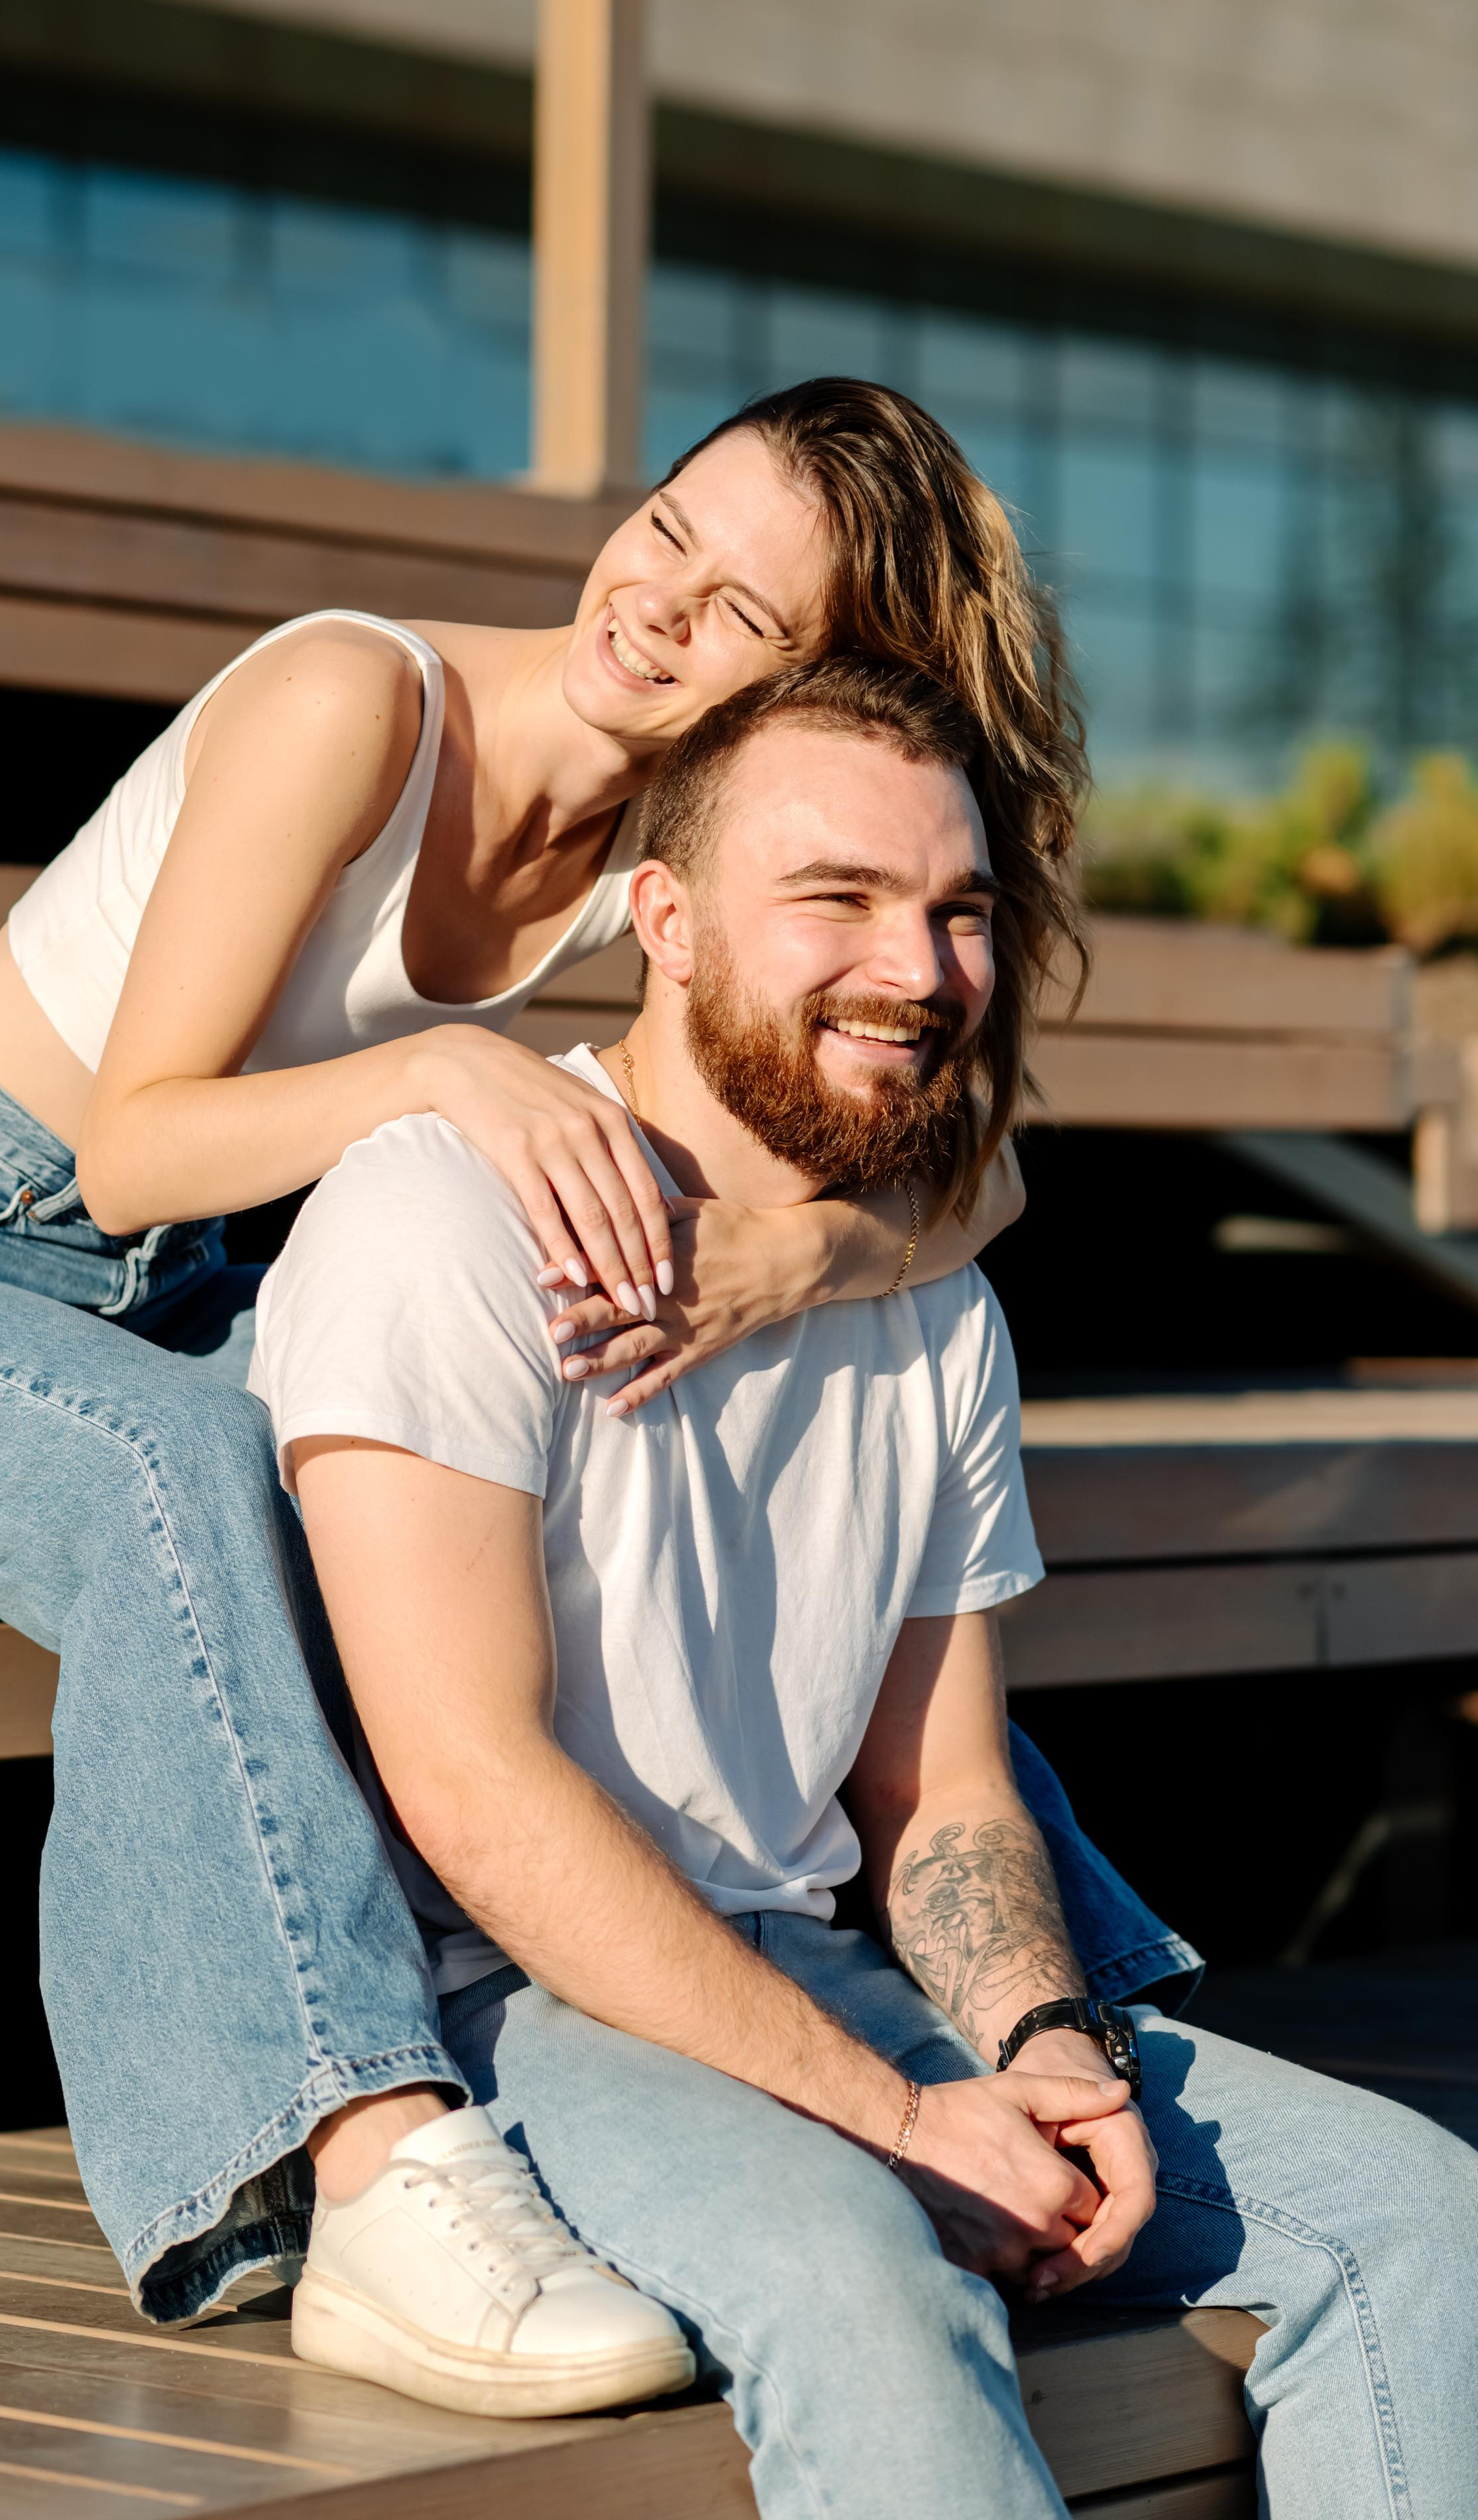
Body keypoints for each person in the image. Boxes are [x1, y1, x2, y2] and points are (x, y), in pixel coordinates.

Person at [0, 380, 1187, 2344]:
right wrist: (452, 1068)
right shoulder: (351, 704)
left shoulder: (678, 827)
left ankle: (1068, 2009)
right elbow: (130, 1149)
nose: (656, 601)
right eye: (668, 526)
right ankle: (350, 2162)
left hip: (160, 1297)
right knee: (187, 1477)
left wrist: (781, 1258)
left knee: (714, 1480)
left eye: (740, 611)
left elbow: (974, 1193)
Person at [258, 657, 1478, 2506]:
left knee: (1422, 2217)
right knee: (875, 2281)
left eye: (958, 908)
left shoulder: (926, 1302)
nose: (918, 968)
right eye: (837, 896)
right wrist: (904, 2120)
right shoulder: (436, 1218)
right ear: (662, 919)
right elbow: (470, 1792)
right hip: (502, 2013)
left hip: (815, 1965)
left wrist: (1049, 2050)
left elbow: (940, 1787)